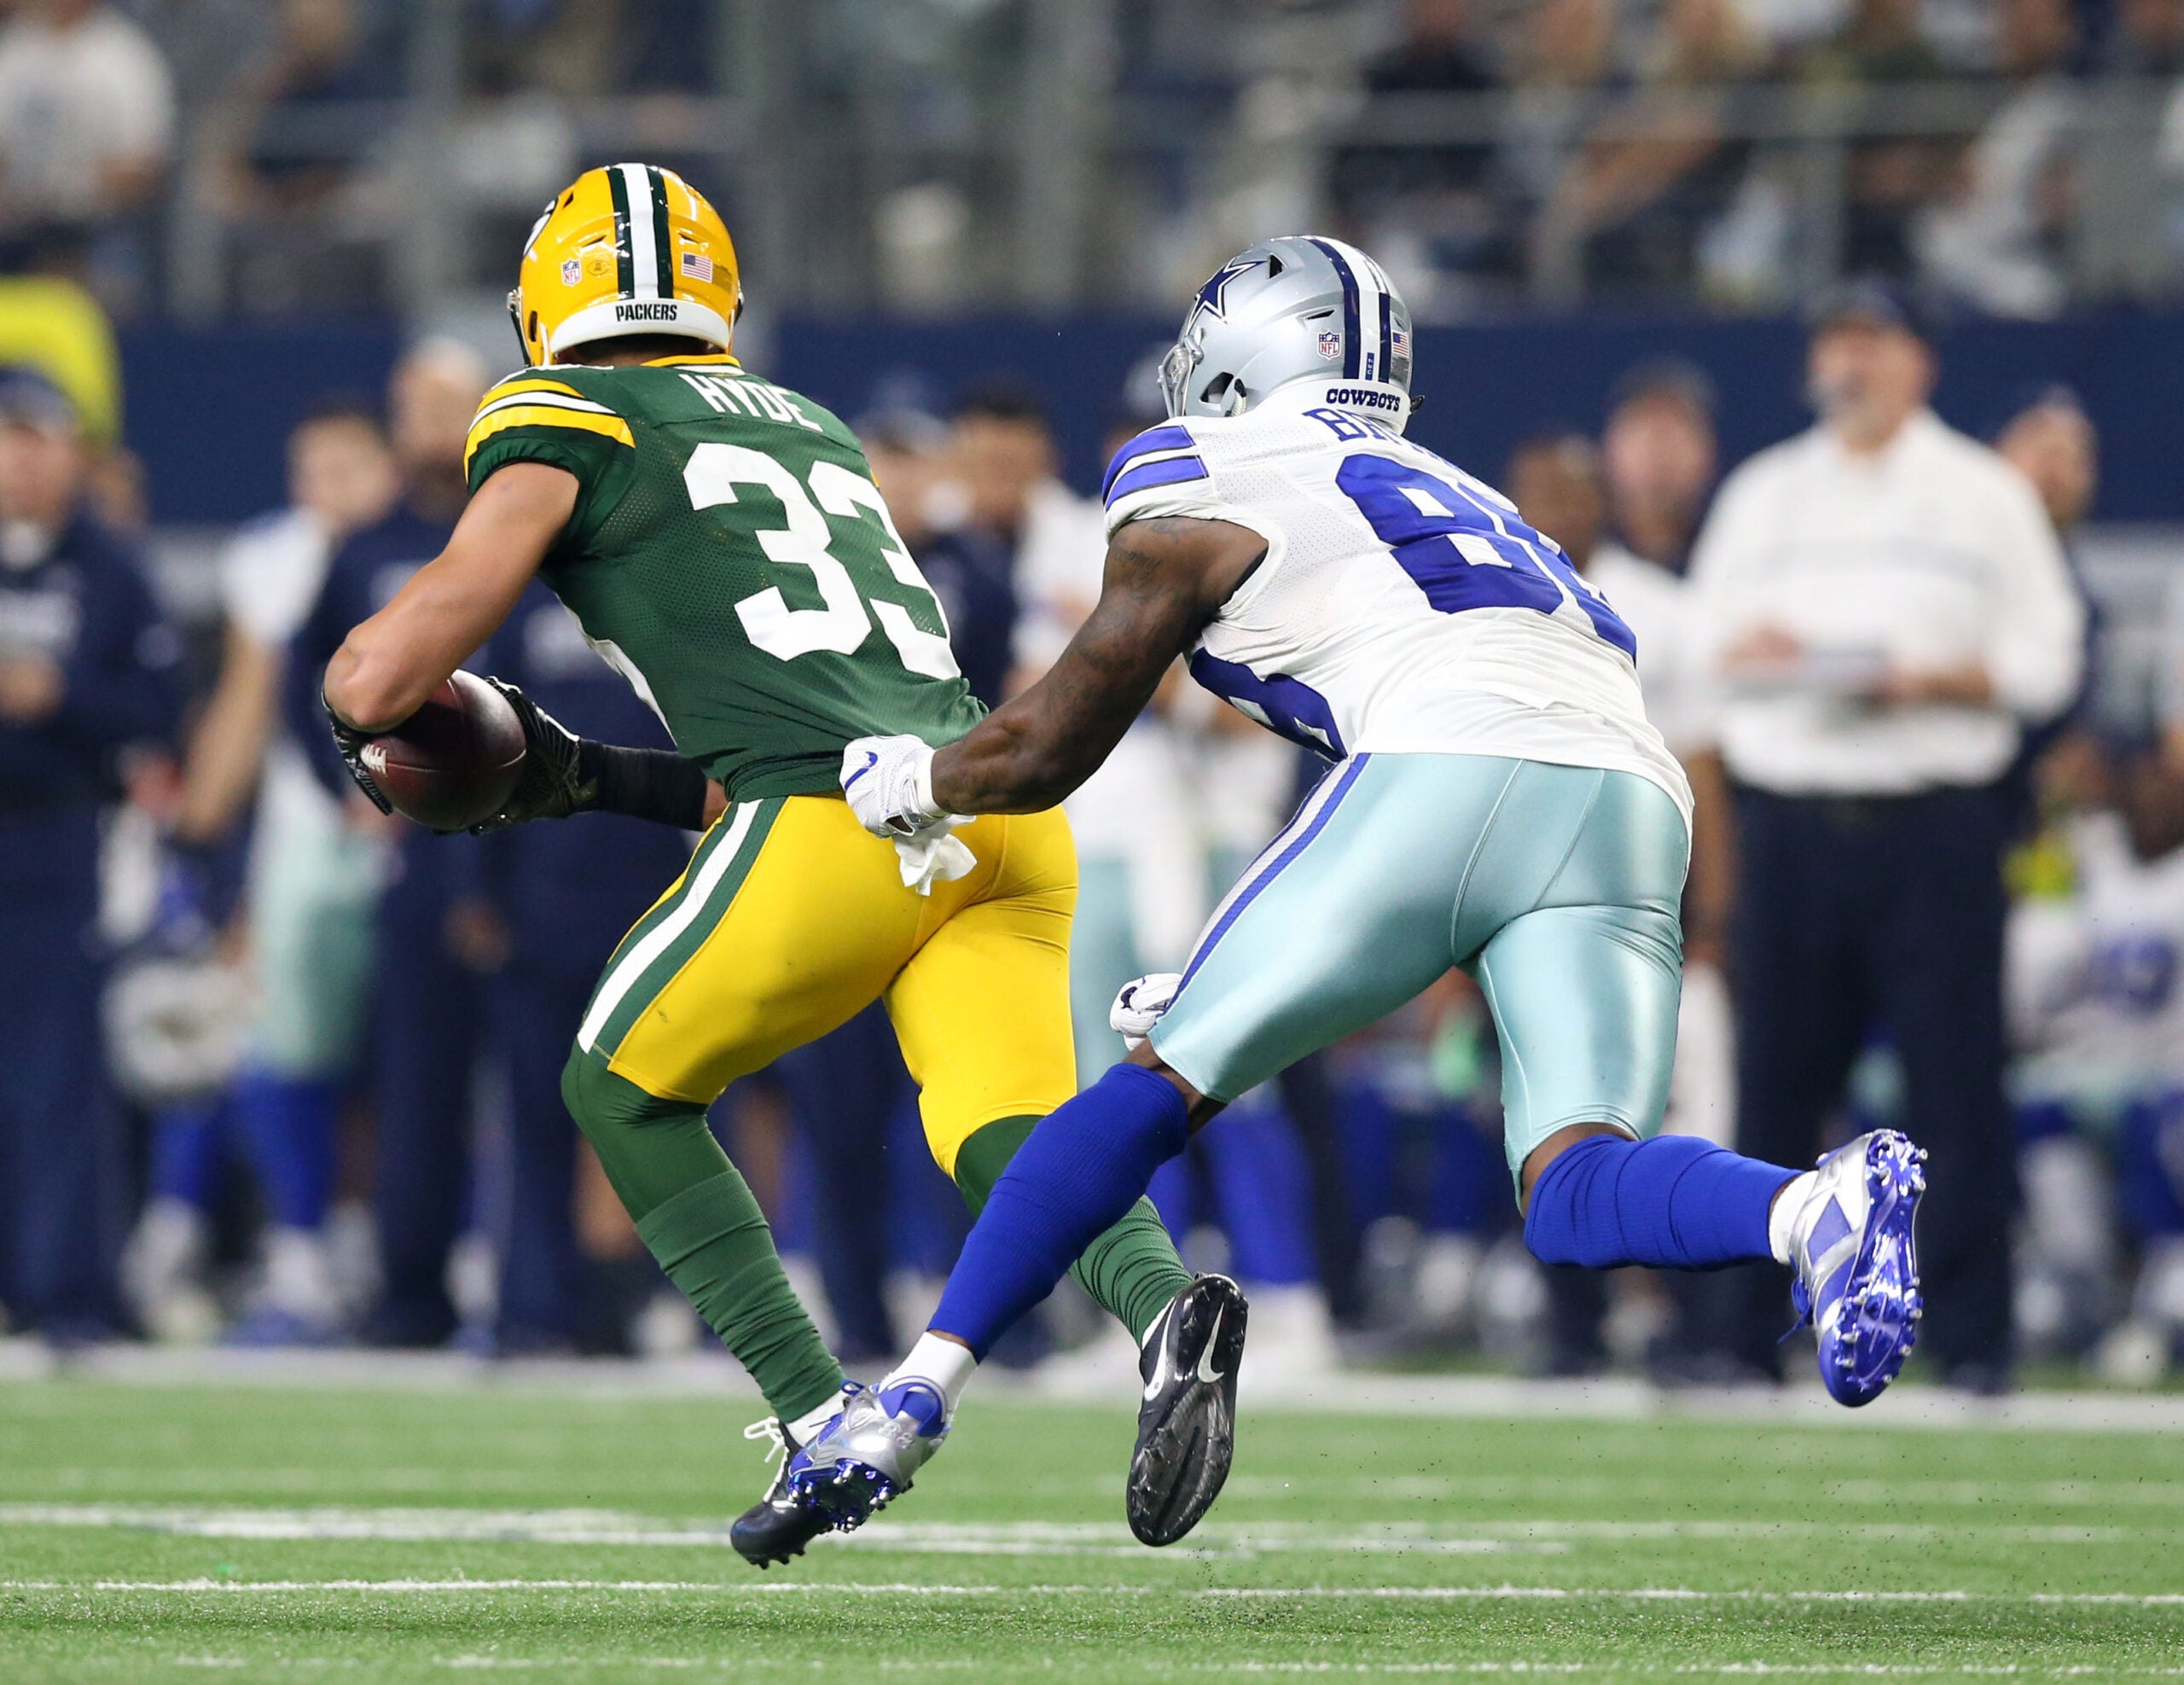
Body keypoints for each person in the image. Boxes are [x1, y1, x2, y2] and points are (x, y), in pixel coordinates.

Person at [800, 237, 1931, 1534]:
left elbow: (1051, 742)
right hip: (1629, 788)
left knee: (1152, 1086)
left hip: (1452, 756)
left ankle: (913, 1396)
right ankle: (1810, 1206)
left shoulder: (1201, 465)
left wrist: (925, 780)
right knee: (1573, 1187)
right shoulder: (1454, 484)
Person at [315, 164, 1207, 1566]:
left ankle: (819, 1415)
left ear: (548, 303)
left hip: (833, 826)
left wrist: (357, 694)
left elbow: (397, 662)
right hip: (991, 807)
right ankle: (1166, 1312)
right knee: (1004, 1124)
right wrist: (582, 775)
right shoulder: (809, 424)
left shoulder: (559, 409)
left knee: (618, 1082)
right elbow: (744, 755)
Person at [1686, 282, 2085, 1392]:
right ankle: (1736, 1336)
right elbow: (1701, 646)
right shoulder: (1764, 493)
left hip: (1933, 821)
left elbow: (2050, 659)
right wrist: (1759, 647)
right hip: (1794, 822)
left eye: (1868, 342)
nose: (1846, 363)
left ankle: (1970, 1340)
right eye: (1833, 341)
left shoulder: (1984, 494)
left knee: (1955, 1087)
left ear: (1919, 362)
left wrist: (1944, 676)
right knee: (1771, 1090)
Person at [121, 398, 398, 1343]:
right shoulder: (276, 558)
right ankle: (296, 1243)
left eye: (345, 470)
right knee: (285, 1044)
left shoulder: (427, 545)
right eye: (310, 472)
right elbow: (247, 703)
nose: (327, 492)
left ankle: (354, 1242)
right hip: (306, 833)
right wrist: (199, 838)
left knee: (389, 1054)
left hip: (432, 831)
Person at [289, 340, 493, 1350]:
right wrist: (355, 777)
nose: (427, 424)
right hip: (421, 845)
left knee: (570, 1071)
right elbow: (310, 676)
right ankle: (413, 1289)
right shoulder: (368, 546)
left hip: (540, 838)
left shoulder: (526, 522)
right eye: (411, 405)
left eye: (444, 403)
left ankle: (584, 1286)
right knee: (415, 1080)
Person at [0, 367, 181, 1342]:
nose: (19, 460)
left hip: (61, 840)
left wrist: (56, 696)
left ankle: (65, 1291)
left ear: (72, 453)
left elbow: (158, 709)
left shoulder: (110, 569)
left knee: (59, 1079)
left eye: (36, 440)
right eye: (7, 439)